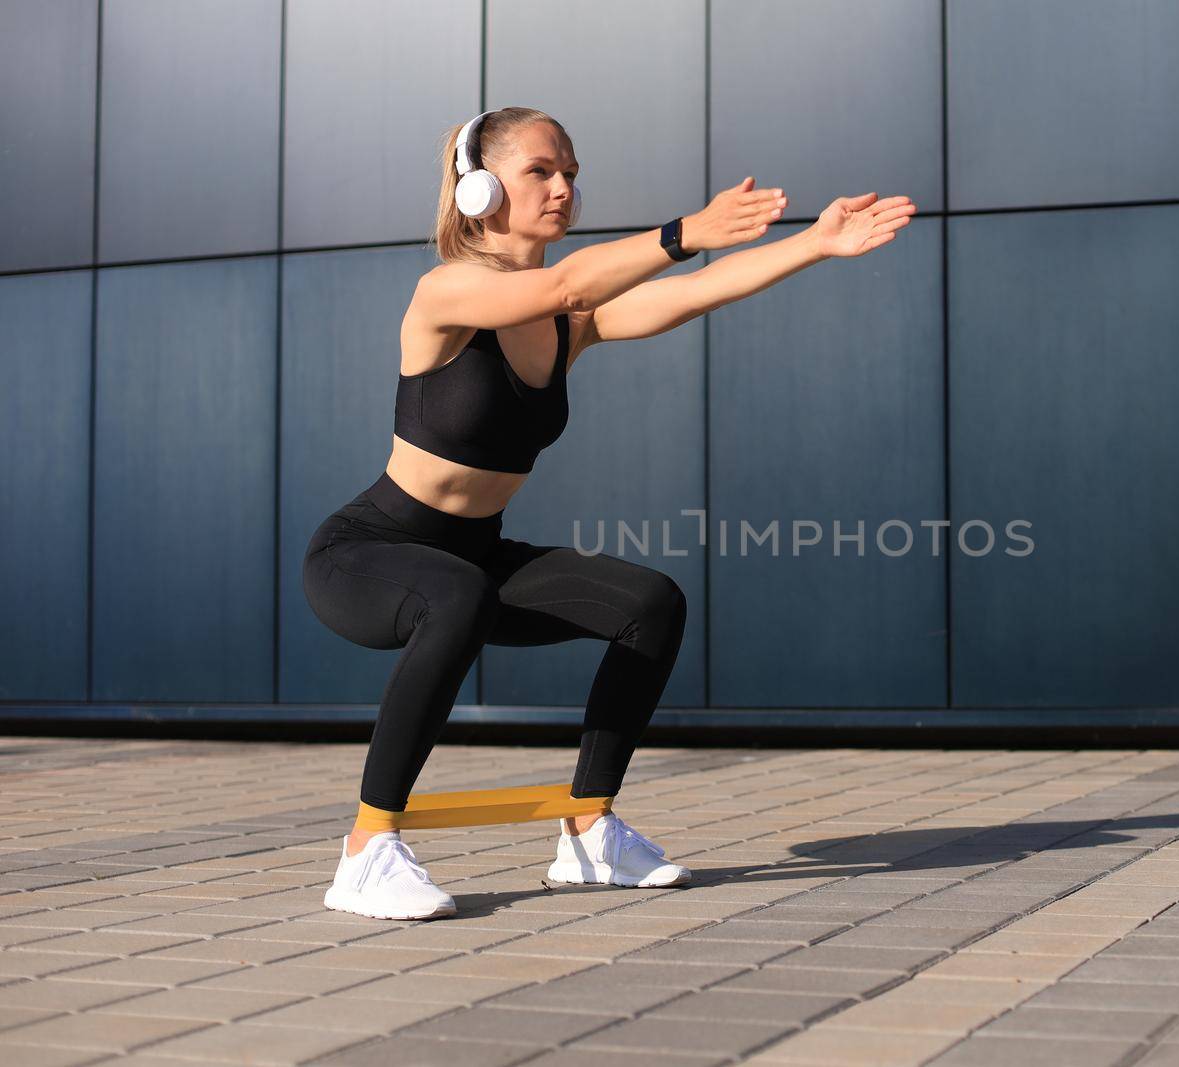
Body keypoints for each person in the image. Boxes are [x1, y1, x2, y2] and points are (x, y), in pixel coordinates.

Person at [303, 106, 916, 920]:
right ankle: (366, 849)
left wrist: (815, 242)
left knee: (648, 603)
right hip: (368, 554)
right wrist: (684, 230)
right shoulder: (445, 291)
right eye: (541, 172)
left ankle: (589, 830)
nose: (563, 188)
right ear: (480, 187)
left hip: (471, 559)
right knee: (455, 593)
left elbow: (687, 296)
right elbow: (565, 280)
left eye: (571, 174)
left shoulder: (567, 324)